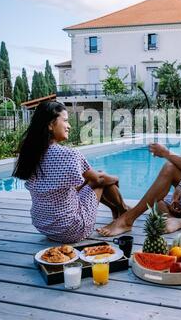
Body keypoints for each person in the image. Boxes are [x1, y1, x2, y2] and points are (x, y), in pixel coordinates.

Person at [97, 94, 181, 237]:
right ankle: (172, 220)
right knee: (155, 200)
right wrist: (177, 195)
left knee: (170, 167)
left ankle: (127, 220)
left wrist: (166, 153)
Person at [13, 101, 128, 243]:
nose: (69, 126)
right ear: (50, 125)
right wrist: (116, 178)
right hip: (72, 230)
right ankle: (123, 211)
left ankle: (118, 210)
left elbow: (79, 182)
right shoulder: (69, 155)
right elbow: (98, 180)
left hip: (44, 226)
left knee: (92, 178)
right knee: (100, 179)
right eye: (65, 121)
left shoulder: (29, 154)